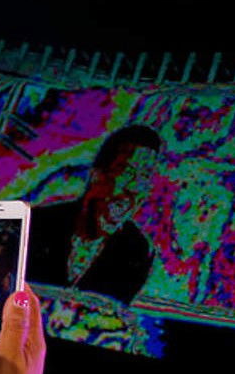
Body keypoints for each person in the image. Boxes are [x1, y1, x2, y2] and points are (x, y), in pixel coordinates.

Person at [27, 125, 161, 303]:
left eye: (144, 178)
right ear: (97, 175)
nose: (134, 188)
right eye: (127, 172)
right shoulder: (35, 224)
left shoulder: (138, 250)